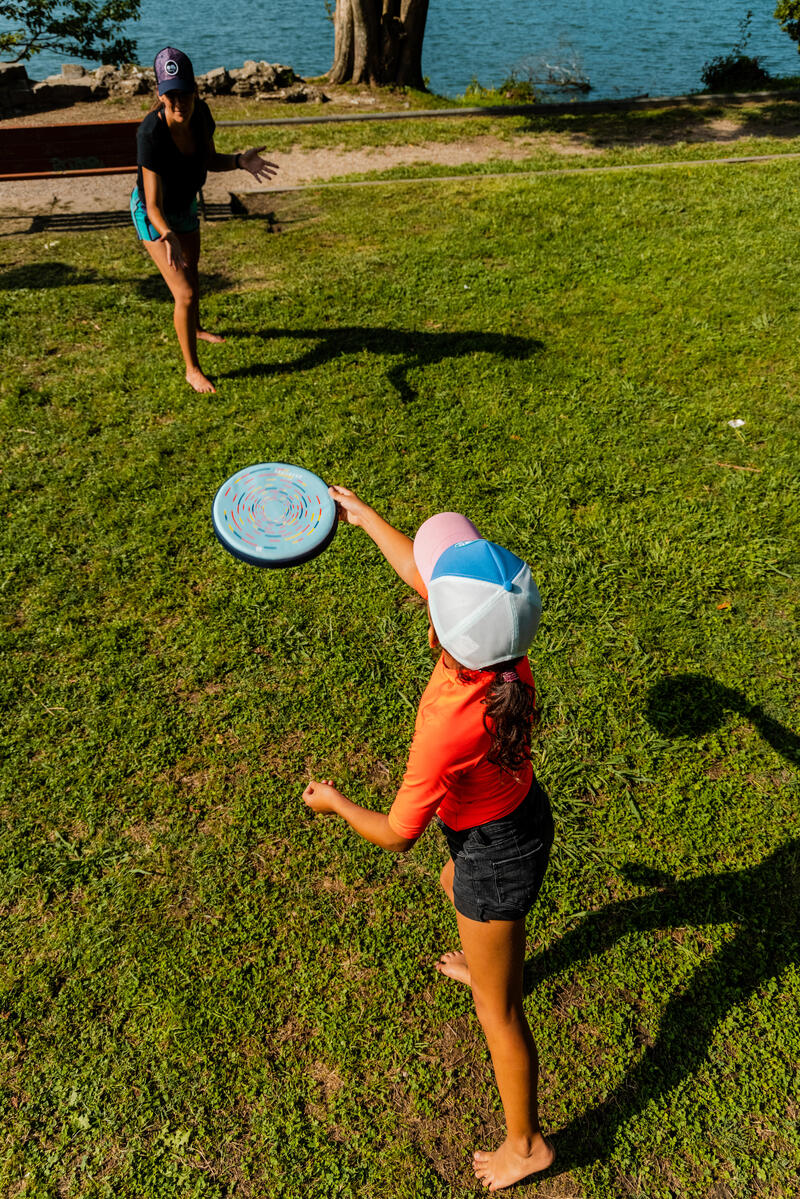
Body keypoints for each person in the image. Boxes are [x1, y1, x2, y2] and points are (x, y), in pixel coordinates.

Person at [302, 486, 555, 1193]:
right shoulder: (507, 657)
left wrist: (334, 801)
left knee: (497, 1011)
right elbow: (431, 585)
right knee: (458, 890)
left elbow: (394, 834)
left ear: (441, 633)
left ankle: (527, 1143)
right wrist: (363, 518)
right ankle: (489, 960)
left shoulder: (445, 724)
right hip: (520, 815)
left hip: (495, 850)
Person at [131, 47, 279, 394]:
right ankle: (191, 368)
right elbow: (151, 204)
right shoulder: (150, 135)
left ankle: (195, 328)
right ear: (160, 94)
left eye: (185, 93)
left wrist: (240, 161)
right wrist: (167, 235)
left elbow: (210, 160)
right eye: (171, 95)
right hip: (156, 216)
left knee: (193, 275)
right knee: (183, 293)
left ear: (195, 91)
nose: (179, 103)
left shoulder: (201, 117)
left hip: (185, 207)